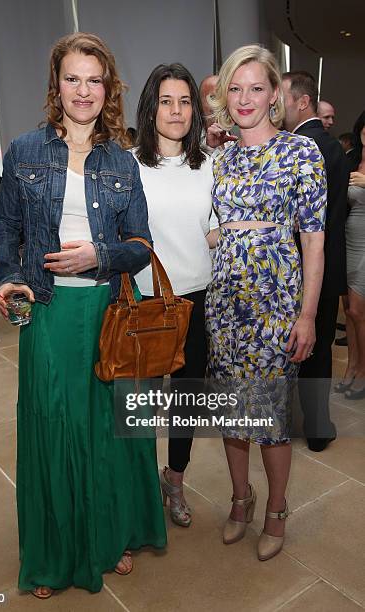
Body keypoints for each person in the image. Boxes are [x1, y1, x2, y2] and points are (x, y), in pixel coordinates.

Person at [0, 32, 166, 599]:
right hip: (47, 311)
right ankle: (53, 555)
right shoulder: (23, 151)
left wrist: (101, 254)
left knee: (107, 432)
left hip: (107, 309)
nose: (83, 90)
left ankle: (108, 537)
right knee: (53, 428)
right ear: (56, 84)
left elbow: (140, 243)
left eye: (94, 79)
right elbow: (9, 231)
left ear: (108, 88)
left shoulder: (123, 158)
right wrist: (10, 278)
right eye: (73, 78)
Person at [206, 45, 326, 561]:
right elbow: (208, 227)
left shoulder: (302, 153)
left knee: (271, 419)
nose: (245, 98)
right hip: (224, 305)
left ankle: (276, 509)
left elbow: (314, 241)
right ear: (224, 96)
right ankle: (241, 499)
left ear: (276, 94)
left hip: (278, 304)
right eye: (235, 88)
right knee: (234, 415)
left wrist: (308, 314)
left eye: (256, 87)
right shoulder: (219, 157)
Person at [134, 63, 219, 528]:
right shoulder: (130, 165)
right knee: (143, 403)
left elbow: (208, 231)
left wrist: (234, 230)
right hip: (146, 303)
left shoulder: (208, 165)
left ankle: (175, 480)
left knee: (188, 401)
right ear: (151, 109)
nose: (176, 110)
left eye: (185, 101)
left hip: (196, 300)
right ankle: (143, 487)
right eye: (166, 101)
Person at [282, 70, 349, 451]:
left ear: (301, 101)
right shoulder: (328, 144)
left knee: (309, 346)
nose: (277, 105)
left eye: (283, 97)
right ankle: (317, 426)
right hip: (328, 261)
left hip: (310, 264)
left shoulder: (303, 147)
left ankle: (314, 426)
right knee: (316, 347)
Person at [340, 111, 365, 399]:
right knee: (349, 311)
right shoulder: (351, 160)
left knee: (359, 311)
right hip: (349, 239)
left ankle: (363, 372)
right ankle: (352, 367)